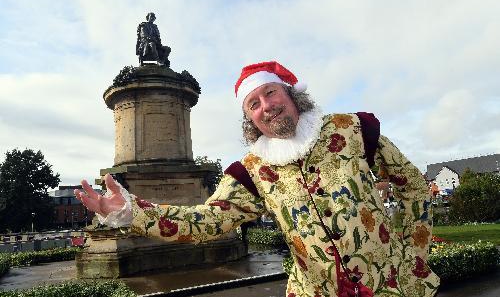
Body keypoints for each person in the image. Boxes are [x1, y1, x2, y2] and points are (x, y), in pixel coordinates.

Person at [76, 61, 440, 297]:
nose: (266, 106)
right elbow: (208, 221)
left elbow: (412, 184)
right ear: (250, 119)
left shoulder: (353, 129)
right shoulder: (251, 171)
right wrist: (131, 214)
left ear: (290, 94)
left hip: (394, 285)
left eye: (270, 93)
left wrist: (412, 250)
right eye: (254, 104)